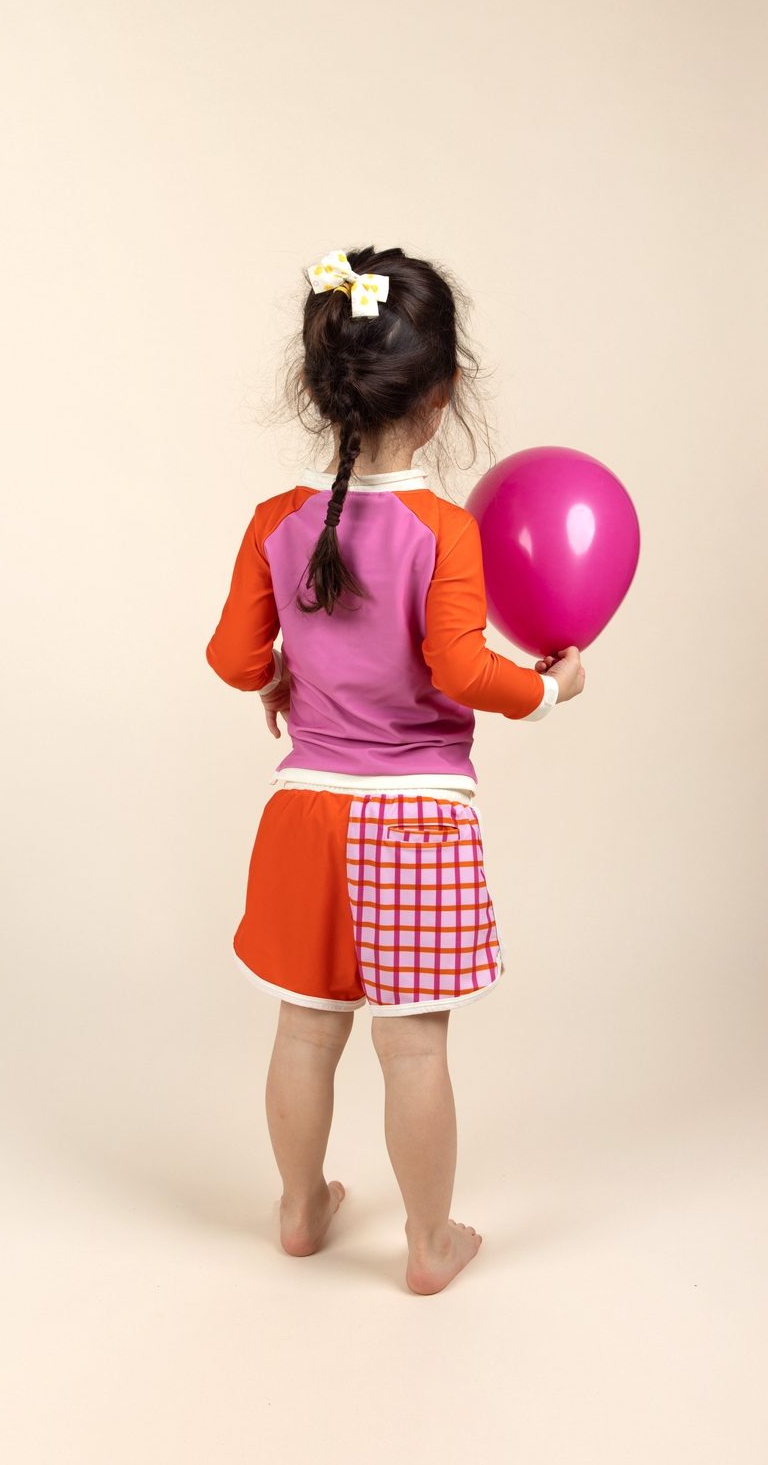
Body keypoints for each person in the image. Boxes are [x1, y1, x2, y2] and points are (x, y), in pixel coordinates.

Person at [205, 247, 586, 1295]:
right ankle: (427, 1244)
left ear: (323, 386)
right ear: (443, 393)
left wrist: (279, 673)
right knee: (411, 1051)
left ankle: (299, 1211)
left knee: (303, 1030)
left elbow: (232, 659)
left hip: (303, 816)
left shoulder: (275, 522)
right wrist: (549, 688)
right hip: (414, 821)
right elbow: (460, 670)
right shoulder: (443, 531)